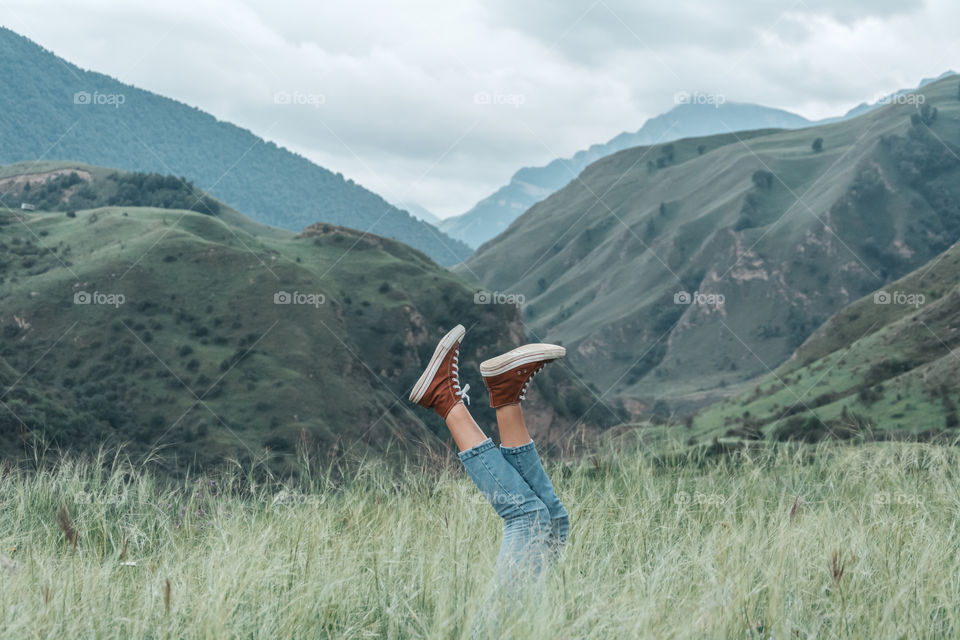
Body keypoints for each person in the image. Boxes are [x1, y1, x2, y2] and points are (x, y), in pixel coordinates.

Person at [409, 324, 570, 582]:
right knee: (555, 521)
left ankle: (443, 398)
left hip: (508, 622)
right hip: (533, 619)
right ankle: (506, 393)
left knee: (529, 515)